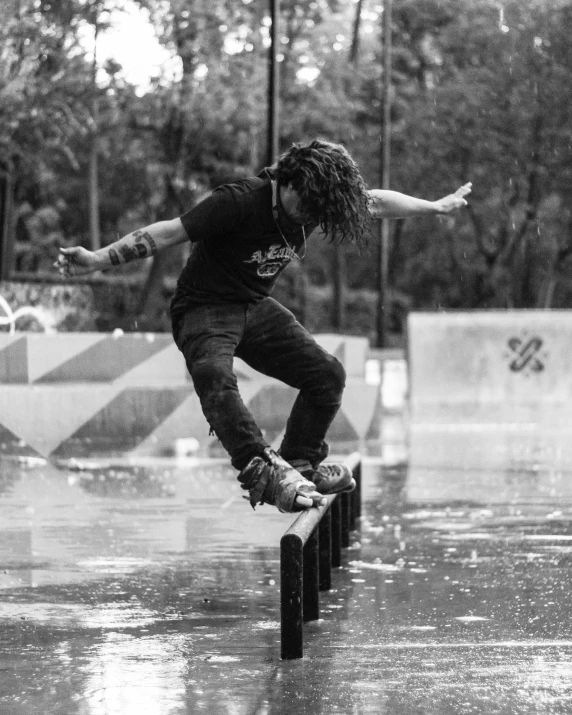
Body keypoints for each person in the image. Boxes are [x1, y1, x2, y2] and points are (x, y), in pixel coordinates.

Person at [55, 140, 471, 514]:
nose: (308, 218)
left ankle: (301, 460)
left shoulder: (320, 198)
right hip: (203, 308)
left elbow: (376, 202)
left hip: (253, 306)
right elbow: (167, 233)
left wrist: (435, 206)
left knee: (327, 375)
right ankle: (262, 468)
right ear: (288, 184)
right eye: (304, 207)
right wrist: (97, 258)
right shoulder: (237, 201)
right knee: (215, 375)